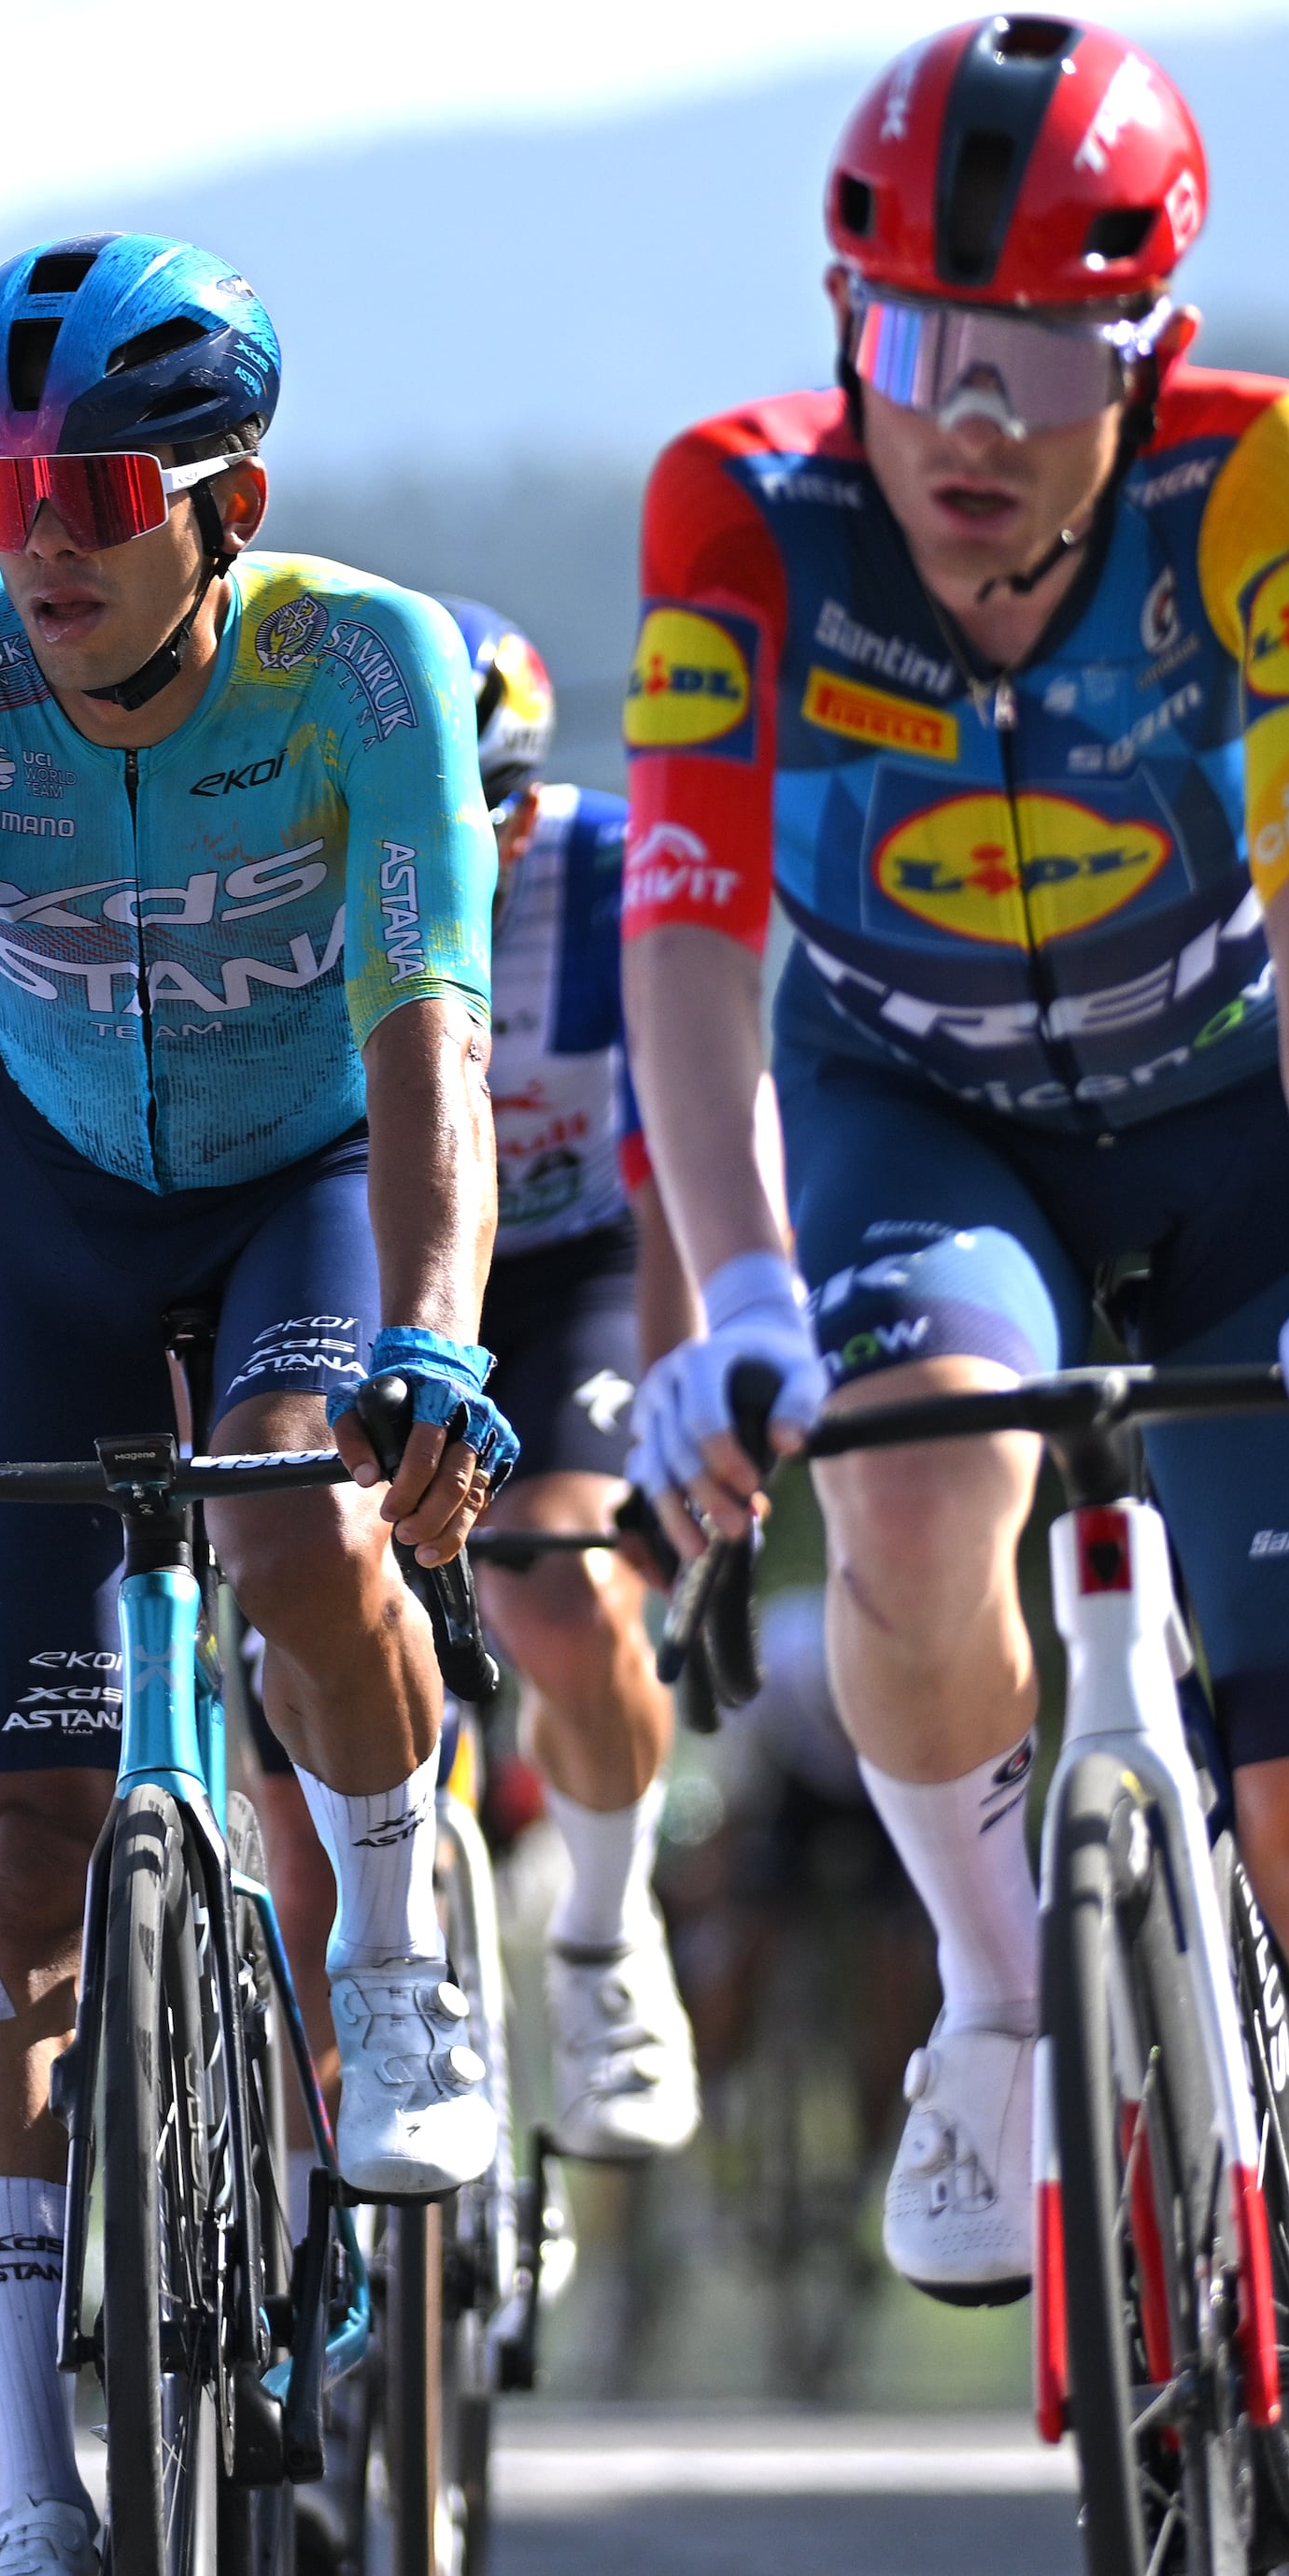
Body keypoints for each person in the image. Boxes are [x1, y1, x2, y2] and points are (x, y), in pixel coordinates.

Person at [615, 14, 1289, 2576]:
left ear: (1143, 360)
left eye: (1034, 361)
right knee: (909, 1491)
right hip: (915, 1104)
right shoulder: (744, 508)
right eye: (918, 347)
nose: (970, 423)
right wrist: (734, 1285)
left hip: (1236, 1122)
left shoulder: (1263, 475)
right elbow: (684, 923)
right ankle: (1014, 1994)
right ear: (847, 329)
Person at [0, 232, 504, 2576]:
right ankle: (33, 2493)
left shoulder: (361, 665)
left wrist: (440, 1333)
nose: (31, 535)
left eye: (83, 486)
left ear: (229, 495)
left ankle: (393, 1947)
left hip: (309, 1179)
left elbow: (435, 1045)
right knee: (24, 1843)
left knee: (295, 1501)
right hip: (49, 1201)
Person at [443, 594, 699, 2159]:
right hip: (393, 1255)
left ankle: (605, 1936)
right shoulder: (315, 873)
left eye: (496, 818)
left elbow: (679, 1169)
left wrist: (678, 1422)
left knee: (567, 1586)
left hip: (578, 1264)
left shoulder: (607, 874)